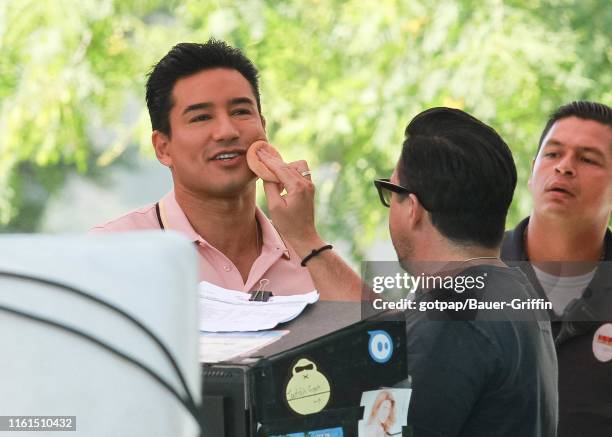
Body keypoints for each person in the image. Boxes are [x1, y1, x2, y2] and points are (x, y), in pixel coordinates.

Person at [91, 39, 361, 300]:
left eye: (241, 112)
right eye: (201, 117)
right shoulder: (113, 251)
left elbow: (382, 337)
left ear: (263, 128)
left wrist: (306, 239)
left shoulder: (309, 255)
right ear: (163, 148)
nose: (227, 131)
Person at [375, 107, 558, 436]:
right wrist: (309, 245)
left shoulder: (451, 318)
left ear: (413, 209)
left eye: (391, 191)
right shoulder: (515, 293)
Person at [501, 101, 612, 437]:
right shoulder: (466, 276)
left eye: (587, 159)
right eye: (552, 155)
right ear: (533, 169)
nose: (564, 167)